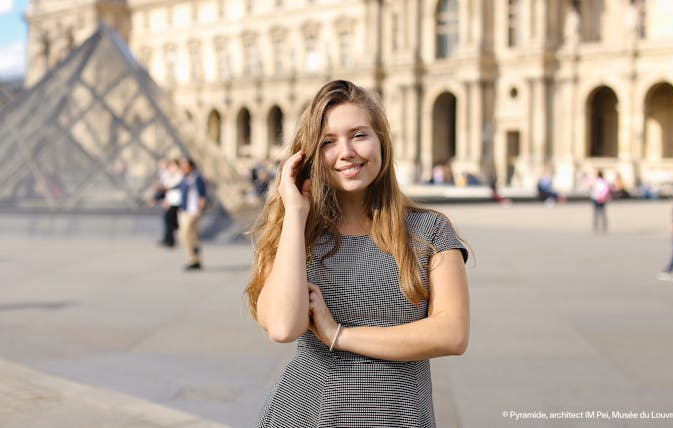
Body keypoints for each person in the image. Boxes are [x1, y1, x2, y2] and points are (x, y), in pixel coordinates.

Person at [245, 80, 470, 427]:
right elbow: (282, 326)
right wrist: (294, 212)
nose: (346, 151)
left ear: (382, 140)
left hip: (398, 417)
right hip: (308, 414)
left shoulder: (430, 231)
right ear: (308, 158)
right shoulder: (297, 234)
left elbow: (452, 334)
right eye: (328, 142)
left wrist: (339, 335)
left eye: (359, 135)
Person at [178, 158, 207, 270]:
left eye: (184, 166)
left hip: (193, 211)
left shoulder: (197, 178)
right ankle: (195, 258)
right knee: (191, 236)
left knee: (186, 234)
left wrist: (200, 209)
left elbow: (202, 196)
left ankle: (192, 259)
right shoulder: (185, 179)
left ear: (191, 167)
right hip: (185, 211)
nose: (183, 168)